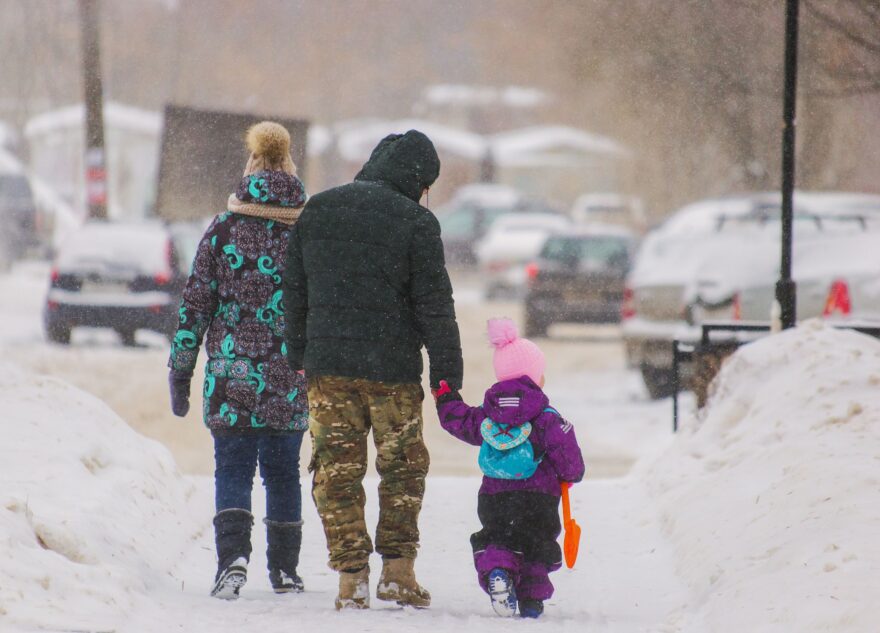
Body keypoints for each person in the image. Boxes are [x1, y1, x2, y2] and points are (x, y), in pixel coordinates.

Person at [282, 129, 463, 610]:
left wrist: (297, 354)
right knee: (401, 470)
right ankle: (398, 573)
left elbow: (293, 291)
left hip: (327, 370)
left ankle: (351, 578)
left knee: (336, 472)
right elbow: (435, 308)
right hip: (393, 372)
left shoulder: (317, 210)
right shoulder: (416, 222)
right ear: (419, 179)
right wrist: (447, 380)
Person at [167, 122, 309, 600]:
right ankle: (285, 570)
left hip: (231, 376)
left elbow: (195, 303)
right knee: (283, 473)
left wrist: (181, 368)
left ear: (250, 165)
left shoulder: (224, 228)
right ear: (290, 164)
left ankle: (232, 562)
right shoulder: (307, 230)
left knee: (231, 470)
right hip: (290, 378)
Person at [434, 317, 585, 619]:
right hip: (539, 499)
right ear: (534, 378)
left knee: (499, 537)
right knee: (536, 545)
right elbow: (570, 460)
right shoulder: (547, 418)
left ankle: (498, 570)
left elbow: (460, 421)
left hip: (495, 496)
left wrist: (446, 398)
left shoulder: (487, 416)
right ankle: (531, 600)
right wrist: (570, 475)